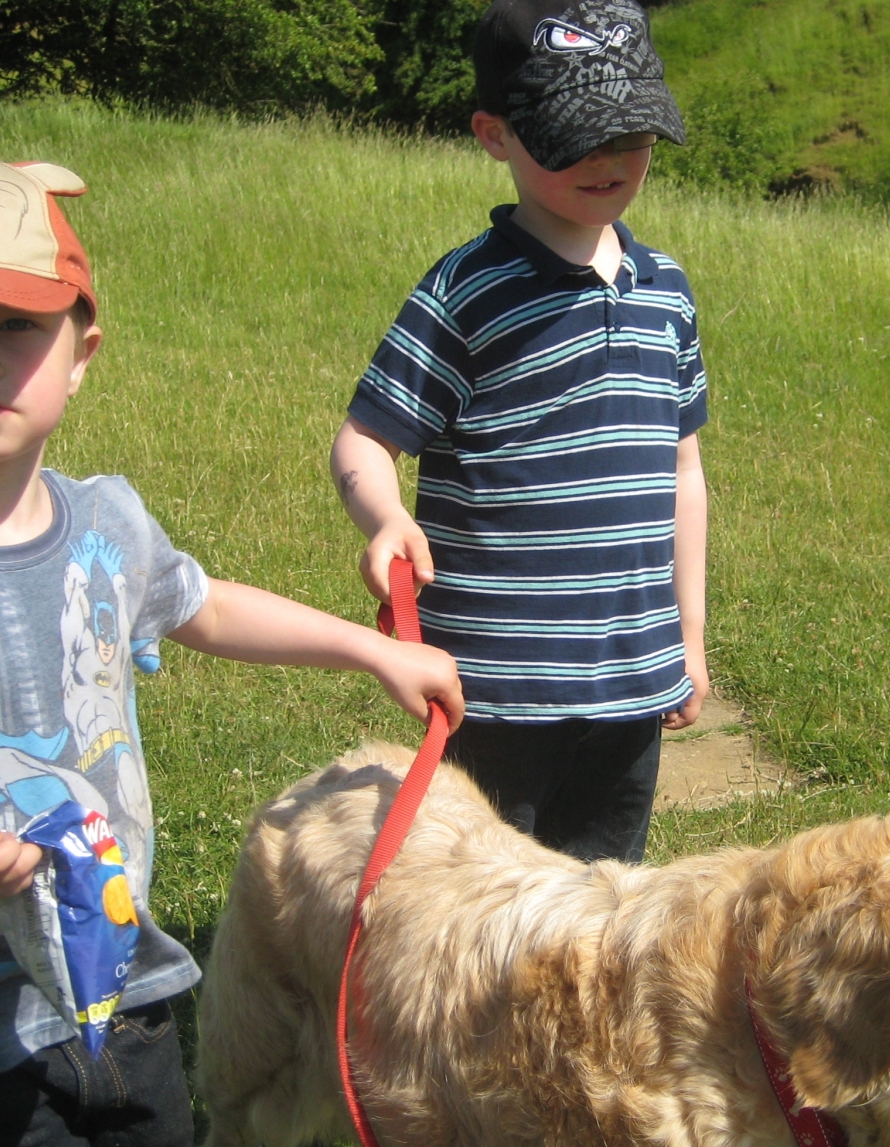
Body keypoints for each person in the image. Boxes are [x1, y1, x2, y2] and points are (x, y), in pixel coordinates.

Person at [0, 158, 463, 1147]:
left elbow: (205, 607)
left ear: (80, 353)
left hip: (129, 978)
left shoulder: (108, 522)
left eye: (16, 326)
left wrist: (376, 649)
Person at [332, 0, 708, 865]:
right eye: (573, 138)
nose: (606, 160)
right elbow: (363, 440)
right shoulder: (467, 293)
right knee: (478, 897)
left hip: (630, 681)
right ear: (494, 136)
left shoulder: (666, 291)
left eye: (630, 134)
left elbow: (682, 471)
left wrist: (687, 639)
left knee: (601, 904)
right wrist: (385, 519)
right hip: (495, 686)